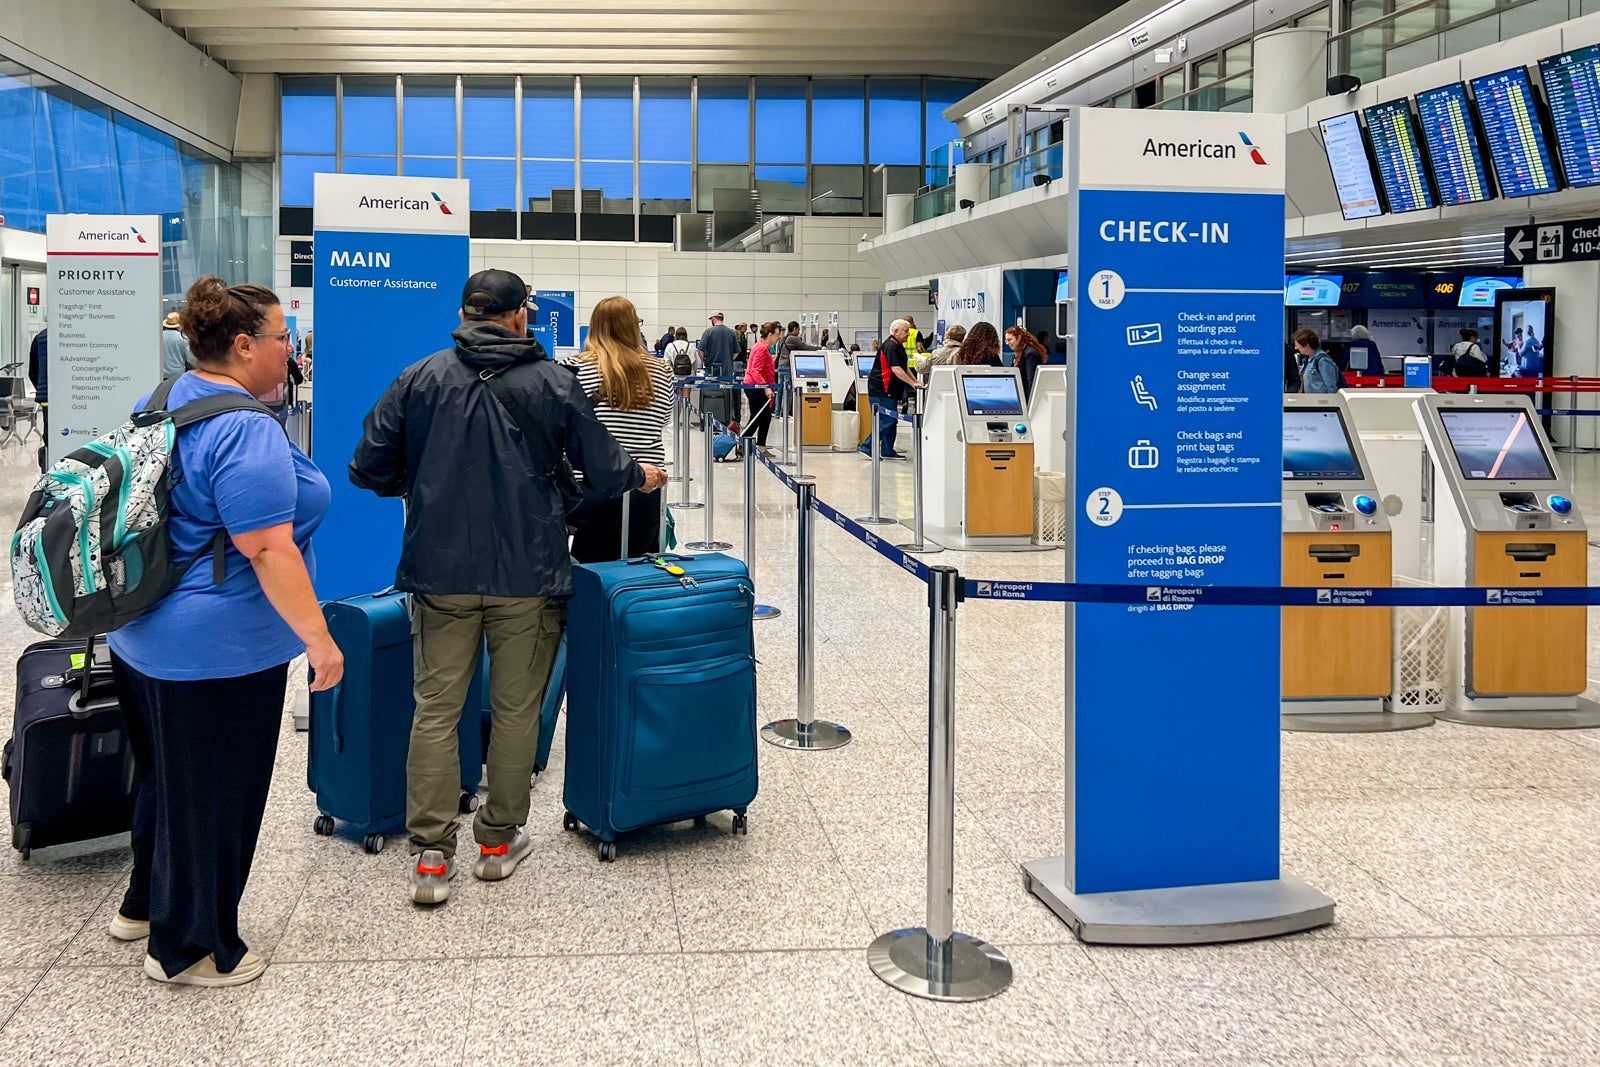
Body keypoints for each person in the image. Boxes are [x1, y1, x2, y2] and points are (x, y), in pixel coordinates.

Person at [349, 268, 667, 906]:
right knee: (519, 709)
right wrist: (642, 478)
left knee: (437, 708)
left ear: (466, 315)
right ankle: (496, 844)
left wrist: (423, 487)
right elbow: (604, 471)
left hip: (438, 574)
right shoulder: (551, 380)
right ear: (521, 314)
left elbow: (367, 465)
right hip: (529, 572)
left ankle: (433, 859)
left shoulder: (420, 377)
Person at [107, 275, 340, 988]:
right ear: (243, 345)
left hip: (140, 636)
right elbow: (267, 548)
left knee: (167, 783)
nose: (289, 358)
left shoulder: (165, 399)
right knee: (216, 794)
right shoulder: (244, 428)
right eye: (281, 342)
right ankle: (193, 948)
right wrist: (318, 639)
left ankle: (144, 906)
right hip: (217, 650)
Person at [569, 297, 675, 562]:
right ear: (633, 327)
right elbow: (665, 419)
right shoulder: (662, 369)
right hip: (647, 488)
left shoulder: (573, 368)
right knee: (640, 569)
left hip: (590, 490)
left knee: (589, 569)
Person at [860, 318, 918, 459]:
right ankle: (867, 446)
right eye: (905, 331)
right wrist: (912, 383)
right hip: (882, 390)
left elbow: (904, 366)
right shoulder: (890, 346)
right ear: (896, 331)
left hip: (891, 391)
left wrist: (915, 381)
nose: (908, 334)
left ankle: (887, 450)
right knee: (888, 420)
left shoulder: (898, 346)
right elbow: (896, 369)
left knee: (891, 420)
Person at [742, 322, 780, 449]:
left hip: (757, 386)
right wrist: (766, 387)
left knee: (765, 417)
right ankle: (743, 444)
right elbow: (755, 370)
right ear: (770, 334)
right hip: (755, 387)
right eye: (777, 334)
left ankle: (761, 447)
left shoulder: (762, 347)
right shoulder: (762, 348)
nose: (778, 337)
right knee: (757, 417)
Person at [700, 311, 742, 424]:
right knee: (727, 397)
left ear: (714, 319)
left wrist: (704, 360)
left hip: (711, 371)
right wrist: (728, 359)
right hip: (727, 372)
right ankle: (726, 421)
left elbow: (700, 350)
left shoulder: (708, 332)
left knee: (711, 395)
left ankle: (710, 422)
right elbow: (737, 351)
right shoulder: (731, 332)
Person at [1004, 325, 1048, 399]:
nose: (1007, 343)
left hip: (1027, 397)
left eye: (1010, 340)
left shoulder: (1030, 354)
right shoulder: (1020, 352)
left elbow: (1031, 380)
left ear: (1018, 338)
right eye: (1006, 340)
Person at [1293, 328, 1342, 393]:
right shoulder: (1307, 360)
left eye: (1297, 345)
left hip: (1322, 401)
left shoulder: (1323, 361)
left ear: (1307, 345)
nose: (1295, 348)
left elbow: (1331, 387)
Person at [27, 327, 46, 471]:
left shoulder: (41, 337)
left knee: (51, 439)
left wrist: (41, 389)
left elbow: (33, 371)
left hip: (48, 400)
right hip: (81, 399)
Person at [160, 310, 192, 381]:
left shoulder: (159, 337)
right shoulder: (183, 338)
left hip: (161, 373)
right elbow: (190, 359)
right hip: (177, 375)